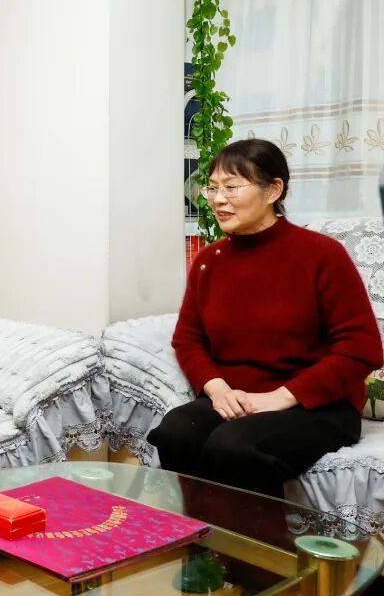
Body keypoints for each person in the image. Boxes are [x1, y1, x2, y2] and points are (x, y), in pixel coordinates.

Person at [148, 139, 382, 498]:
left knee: (233, 447)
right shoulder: (209, 262)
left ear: (273, 190)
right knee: (176, 432)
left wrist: (280, 397)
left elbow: (361, 347)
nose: (218, 199)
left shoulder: (322, 255)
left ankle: (257, 537)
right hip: (239, 398)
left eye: (231, 187)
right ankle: (200, 531)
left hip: (315, 405)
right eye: (212, 188)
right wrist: (217, 389)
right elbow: (188, 338)